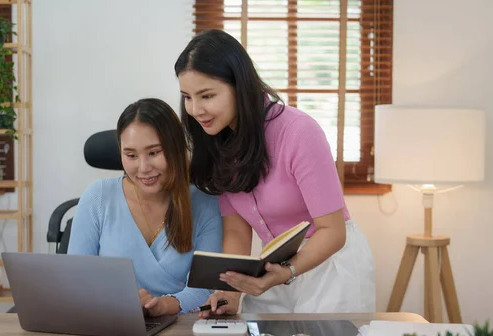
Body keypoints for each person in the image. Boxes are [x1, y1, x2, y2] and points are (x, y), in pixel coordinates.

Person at [174, 29, 375, 317]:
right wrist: (230, 293)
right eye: (187, 97)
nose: (195, 109)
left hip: (330, 265)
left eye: (207, 95)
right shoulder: (218, 144)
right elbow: (236, 232)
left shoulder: (299, 133)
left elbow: (333, 232)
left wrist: (286, 272)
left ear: (239, 86)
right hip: (272, 268)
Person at [68, 98, 223, 317]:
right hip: (110, 323)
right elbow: (77, 278)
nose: (143, 168)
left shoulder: (205, 204)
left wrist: (162, 306)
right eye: (131, 155)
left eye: (154, 153)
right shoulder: (98, 197)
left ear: (176, 149)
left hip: (180, 330)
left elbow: (203, 289)